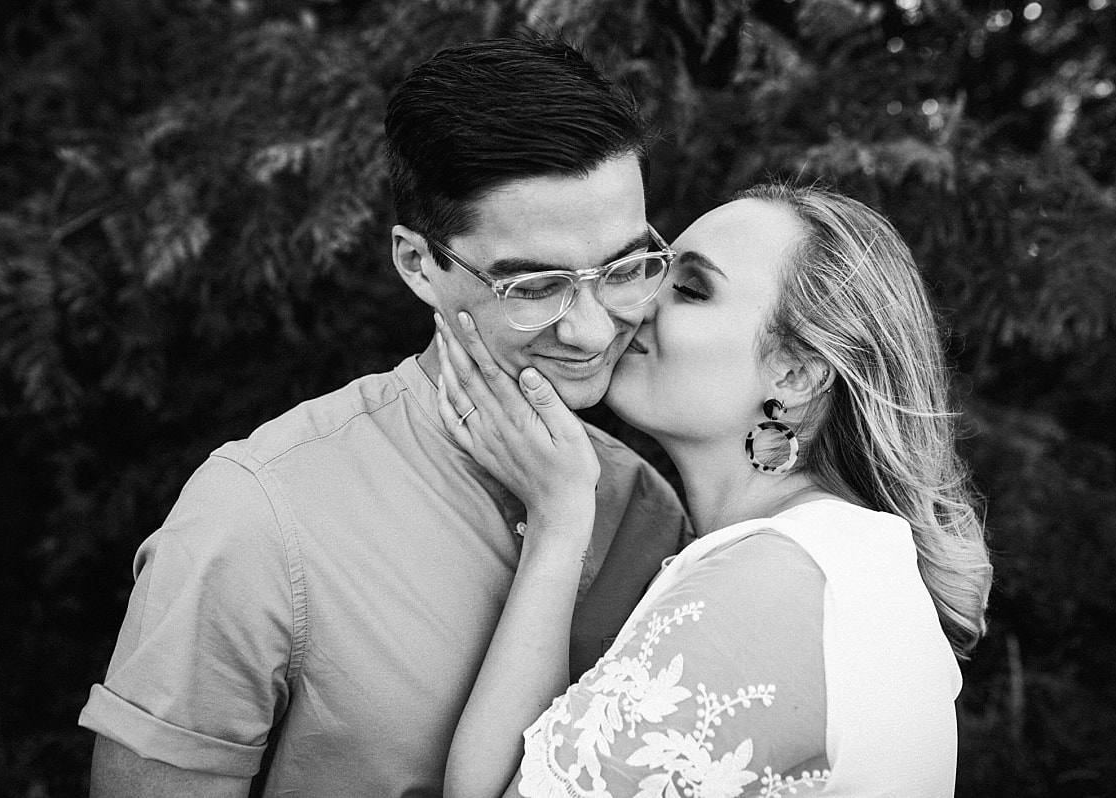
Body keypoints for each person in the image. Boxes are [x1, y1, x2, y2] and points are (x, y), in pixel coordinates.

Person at [78, 34, 691, 797]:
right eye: (534, 287)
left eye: (627, 269)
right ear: (418, 264)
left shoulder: (647, 509)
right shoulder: (255, 515)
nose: (595, 330)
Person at [432, 183, 993, 797]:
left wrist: (558, 523)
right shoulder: (823, 561)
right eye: (653, 273)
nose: (633, 307)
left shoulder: (774, 584)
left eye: (692, 290)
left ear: (796, 372)